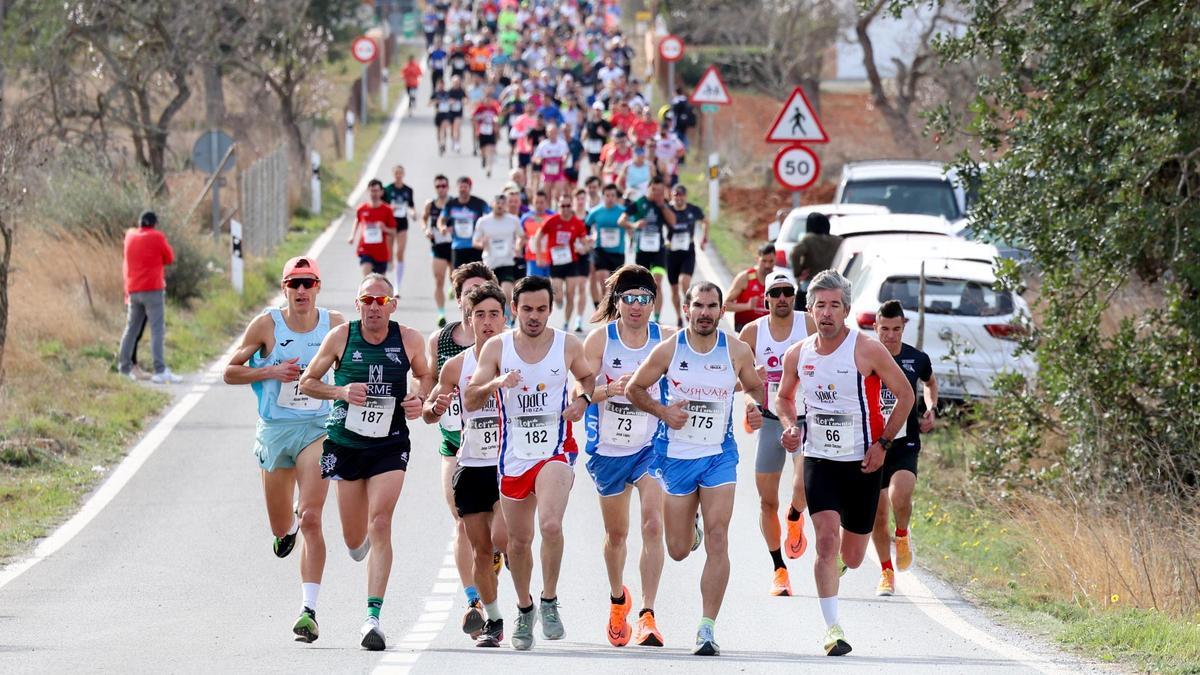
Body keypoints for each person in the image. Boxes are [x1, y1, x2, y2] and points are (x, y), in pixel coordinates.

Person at [775, 270, 914, 657]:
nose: (827, 313)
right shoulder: (797, 355)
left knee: (851, 556)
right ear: (810, 309)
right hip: (819, 460)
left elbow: (905, 395)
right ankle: (832, 628)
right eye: (820, 305)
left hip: (864, 463)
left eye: (835, 305)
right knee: (825, 540)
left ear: (847, 310)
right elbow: (784, 398)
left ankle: (838, 566)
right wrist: (791, 427)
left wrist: (884, 443)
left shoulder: (866, 349)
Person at [626, 281, 765, 657]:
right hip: (676, 457)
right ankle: (692, 529)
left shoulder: (735, 349)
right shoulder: (670, 348)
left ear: (721, 310)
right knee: (677, 550)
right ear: (686, 309)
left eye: (712, 306)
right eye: (698, 305)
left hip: (720, 455)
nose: (705, 312)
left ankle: (707, 628)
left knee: (720, 537)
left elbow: (756, 386)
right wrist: (663, 411)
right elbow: (635, 389)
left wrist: (759, 406)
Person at [299, 273, 434, 651]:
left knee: (381, 521)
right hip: (345, 444)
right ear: (357, 304)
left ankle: (372, 617)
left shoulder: (408, 339)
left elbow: (425, 375)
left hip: (389, 444)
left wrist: (418, 397)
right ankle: (359, 545)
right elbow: (307, 381)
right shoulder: (341, 337)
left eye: (381, 301)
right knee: (355, 539)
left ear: (392, 304)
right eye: (367, 301)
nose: (374, 307)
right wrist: (340, 390)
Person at [464, 275, 596, 651]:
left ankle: (550, 601)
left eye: (541, 309)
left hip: (554, 451)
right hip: (513, 456)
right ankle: (525, 608)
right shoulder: (496, 348)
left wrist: (582, 401)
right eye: (527, 309)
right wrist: (496, 383)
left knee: (551, 524)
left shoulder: (567, 344)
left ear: (550, 309)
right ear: (514, 310)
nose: (534, 316)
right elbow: (472, 398)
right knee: (518, 543)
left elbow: (587, 377)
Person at [223, 256, 344, 642]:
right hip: (276, 430)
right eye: (295, 284)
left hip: (318, 428)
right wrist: (271, 371)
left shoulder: (335, 325)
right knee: (283, 525)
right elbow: (230, 371)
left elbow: (358, 362)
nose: (302, 291)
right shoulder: (266, 325)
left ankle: (309, 610)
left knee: (312, 517)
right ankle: (285, 528)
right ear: (284, 288)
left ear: (318, 287)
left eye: (309, 283)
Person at [582, 265, 672, 648]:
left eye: (644, 299)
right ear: (617, 302)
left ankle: (648, 615)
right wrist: (610, 391)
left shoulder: (665, 340)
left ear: (654, 303)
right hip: (608, 450)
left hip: (651, 446)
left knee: (653, 525)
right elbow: (579, 392)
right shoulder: (599, 341)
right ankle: (618, 600)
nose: (636, 306)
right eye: (629, 299)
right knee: (616, 535)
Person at [424, 283, 510, 649]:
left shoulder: (518, 356)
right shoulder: (456, 365)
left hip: (509, 464)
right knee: (480, 550)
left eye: (494, 315)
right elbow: (429, 411)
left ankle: (525, 603)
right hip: (471, 462)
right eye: (480, 315)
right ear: (469, 319)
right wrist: (435, 407)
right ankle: (494, 619)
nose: (487, 322)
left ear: (505, 318)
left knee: (505, 540)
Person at [737, 271, 814, 597]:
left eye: (788, 292)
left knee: (805, 483)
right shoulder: (752, 332)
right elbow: (741, 382)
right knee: (767, 501)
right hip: (769, 421)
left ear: (794, 296)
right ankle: (779, 569)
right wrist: (751, 404)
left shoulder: (808, 325)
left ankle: (795, 515)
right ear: (765, 298)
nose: (782, 298)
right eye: (776, 293)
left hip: (805, 420)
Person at [871, 299, 937, 596]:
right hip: (873, 444)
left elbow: (930, 382)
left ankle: (902, 535)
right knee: (878, 514)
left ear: (903, 327)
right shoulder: (865, 356)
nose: (890, 336)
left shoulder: (916, 358)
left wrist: (931, 408)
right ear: (876, 327)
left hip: (905, 442)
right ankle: (886, 571)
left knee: (900, 495)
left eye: (896, 329)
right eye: (884, 329)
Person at [117, 210, 181, 384]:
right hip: (152, 289)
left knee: (131, 329)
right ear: (154, 224)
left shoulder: (130, 236)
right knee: (157, 329)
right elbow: (169, 257)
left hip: (133, 289)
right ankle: (160, 370)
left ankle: (123, 368)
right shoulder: (157, 236)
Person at [618, 176, 675, 323]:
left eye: (661, 191)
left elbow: (673, 222)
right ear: (649, 188)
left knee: (657, 282)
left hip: (658, 250)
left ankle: (656, 318)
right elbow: (621, 220)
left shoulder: (663, 204)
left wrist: (662, 205)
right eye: (655, 190)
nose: (657, 194)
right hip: (642, 250)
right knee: (643, 285)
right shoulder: (639, 203)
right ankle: (644, 314)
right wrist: (634, 224)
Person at [535, 194, 589, 332]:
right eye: (562, 206)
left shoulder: (577, 223)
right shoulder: (552, 221)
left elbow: (585, 242)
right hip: (556, 262)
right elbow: (538, 236)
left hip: (572, 262)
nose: (565, 209)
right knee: (558, 293)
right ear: (558, 206)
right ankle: (558, 300)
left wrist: (584, 248)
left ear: (572, 207)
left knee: (570, 294)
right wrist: (539, 255)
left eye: (568, 206)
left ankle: (566, 322)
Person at [665, 185, 708, 328]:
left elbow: (705, 221)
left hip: (688, 251)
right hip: (671, 252)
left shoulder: (692, 209)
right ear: (672, 196)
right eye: (676, 195)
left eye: (681, 195)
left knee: (685, 282)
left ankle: (688, 310)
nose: (678, 198)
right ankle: (678, 318)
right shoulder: (667, 210)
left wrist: (704, 239)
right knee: (674, 288)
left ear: (686, 196)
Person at [473, 194, 523, 304]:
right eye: (498, 203)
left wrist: (518, 246)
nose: (500, 206)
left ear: (506, 205)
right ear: (492, 204)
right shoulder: (483, 221)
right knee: (492, 296)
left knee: (507, 293)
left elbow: (522, 236)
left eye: (503, 203)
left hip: (507, 262)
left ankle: (509, 318)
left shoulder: (513, 220)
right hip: (490, 263)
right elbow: (475, 241)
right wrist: (482, 244)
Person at [790, 212, 843, 309]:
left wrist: (798, 272)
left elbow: (794, 253)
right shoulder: (838, 241)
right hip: (832, 284)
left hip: (810, 283)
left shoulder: (809, 239)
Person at [587, 183, 627, 308]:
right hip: (601, 251)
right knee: (604, 282)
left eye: (612, 195)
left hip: (618, 252)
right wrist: (588, 239)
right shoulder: (595, 212)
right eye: (607, 195)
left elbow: (630, 226)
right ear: (603, 196)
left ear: (616, 197)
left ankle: (612, 308)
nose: (610, 198)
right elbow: (585, 227)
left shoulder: (622, 211)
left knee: (615, 286)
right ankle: (604, 309)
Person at [439, 176, 491, 270]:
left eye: (465, 187)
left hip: (475, 246)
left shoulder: (479, 203)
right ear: (457, 188)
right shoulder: (451, 204)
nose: (462, 190)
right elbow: (441, 219)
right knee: (458, 277)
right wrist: (442, 227)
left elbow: (491, 215)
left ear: (469, 188)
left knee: (477, 276)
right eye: (460, 187)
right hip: (458, 246)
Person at [423, 175, 454, 328]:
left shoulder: (453, 203)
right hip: (438, 245)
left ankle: (453, 286)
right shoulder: (431, 204)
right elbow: (424, 219)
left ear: (448, 187)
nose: (441, 189)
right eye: (438, 186)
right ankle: (441, 313)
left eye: (443, 186)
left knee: (454, 277)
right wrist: (426, 229)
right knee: (438, 279)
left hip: (454, 245)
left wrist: (452, 229)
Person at [349, 179, 396, 277]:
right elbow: (357, 220)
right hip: (365, 250)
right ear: (368, 191)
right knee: (367, 281)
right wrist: (352, 236)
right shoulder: (362, 209)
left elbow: (393, 232)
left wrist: (384, 228)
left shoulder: (387, 210)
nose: (374, 193)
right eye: (372, 190)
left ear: (381, 192)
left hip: (381, 253)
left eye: (376, 191)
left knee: (380, 287)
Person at [725, 243, 775, 332]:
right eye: (764, 261)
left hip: (768, 330)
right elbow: (725, 305)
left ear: (775, 260)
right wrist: (747, 306)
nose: (767, 265)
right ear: (757, 259)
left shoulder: (777, 280)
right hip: (744, 328)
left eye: (771, 261)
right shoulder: (745, 277)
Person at [384, 166, 416, 290]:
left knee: (400, 253)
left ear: (403, 174)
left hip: (402, 223)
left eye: (400, 173)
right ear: (393, 174)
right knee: (389, 254)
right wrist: (390, 208)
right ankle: (387, 272)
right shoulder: (387, 189)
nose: (398, 175)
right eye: (396, 173)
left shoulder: (408, 190)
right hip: (389, 223)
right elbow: (383, 205)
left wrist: (413, 213)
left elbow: (411, 205)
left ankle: (397, 286)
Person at [520, 190, 555, 278]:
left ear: (546, 202)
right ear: (533, 202)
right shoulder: (526, 218)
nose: (539, 205)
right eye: (536, 202)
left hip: (551, 259)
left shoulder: (553, 216)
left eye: (542, 202)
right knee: (534, 288)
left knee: (552, 289)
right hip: (533, 259)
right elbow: (520, 236)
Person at [533, 123, 571, 202]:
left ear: (557, 132)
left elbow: (567, 154)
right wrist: (539, 160)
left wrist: (565, 159)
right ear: (547, 133)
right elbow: (535, 157)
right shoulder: (543, 145)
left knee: (558, 195)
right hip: (547, 173)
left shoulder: (562, 143)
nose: (552, 134)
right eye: (550, 132)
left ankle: (558, 211)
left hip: (559, 172)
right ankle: (549, 212)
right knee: (547, 196)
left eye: (554, 132)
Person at [473, 94, 503, 178]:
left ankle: (489, 169)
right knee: (483, 150)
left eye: (490, 100)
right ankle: (483, 158)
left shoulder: (494, 109)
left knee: (490, 151)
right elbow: (474, 118)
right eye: (487, 100)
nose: (488, 102)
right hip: (482, 131)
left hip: (491, 131)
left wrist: (497, 131)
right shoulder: (480, 108)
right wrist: (476, 128)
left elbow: (498, 119)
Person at [432, 79, 454, 155]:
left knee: (444, 127)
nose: (441, 86)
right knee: (438, 131)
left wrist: (450, 102)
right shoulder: (435, 93)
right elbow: (429, 103)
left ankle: (443, 143)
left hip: (446, 113)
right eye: (439, 85)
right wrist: (436, 101)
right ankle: (440, 145)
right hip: (438, 113)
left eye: (442, 84)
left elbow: (452, 101)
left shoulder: (447, 93)